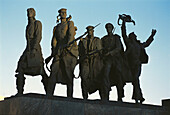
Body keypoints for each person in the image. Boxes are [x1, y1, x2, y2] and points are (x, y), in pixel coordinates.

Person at [121, 19, 157, 103]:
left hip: (137, 64)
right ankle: (137, 97)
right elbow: (123, 35)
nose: (135, 36)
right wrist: (123, 24)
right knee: (133, 80)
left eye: (135, 36)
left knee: (136, 79)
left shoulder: (139, 45)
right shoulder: (129, 43)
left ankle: (138, 97)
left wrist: (152, 36)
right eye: (133, 36)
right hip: (129, 64)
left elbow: (147, 43)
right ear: (131, 37)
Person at [15, 8, 48, 95]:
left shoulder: (38, 23)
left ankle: (49, 92)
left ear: (34, 13)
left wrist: (33, 49)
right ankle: (20, 92)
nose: (29, 13)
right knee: (20, 66)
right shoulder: (28, 26)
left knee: (41, 71)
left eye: (31, 12)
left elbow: (38, 36)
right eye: (28, 12)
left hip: (35, 48)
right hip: (28, 49)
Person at [47, 8, 78, 98]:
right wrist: (53, 51)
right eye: (62, 13)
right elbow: (54, 40)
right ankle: (49, 94)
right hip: (58, 51)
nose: (63, 14)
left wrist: (67, 44)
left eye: (65, 12)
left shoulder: (70, 23)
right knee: (53, 71)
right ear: (59, 15)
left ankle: (69, 96)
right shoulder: (56, 27)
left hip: (67, 50)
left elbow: (70, 35)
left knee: (68, 73)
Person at [101, 23, 124, 101]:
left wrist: (110, 53)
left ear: (112, 28)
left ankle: (120, 95)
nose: (108, 29)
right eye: (107, 27)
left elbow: (119, 48)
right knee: (105, 72)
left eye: (110, 27)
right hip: (107, 59)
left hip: (115, 58)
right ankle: (106, 92)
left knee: (118, 73)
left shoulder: (116, 38)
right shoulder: (104, 39)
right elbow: (101, 48)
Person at [78, 26, 103, 99]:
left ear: (93, 31)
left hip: (95, 61)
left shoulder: (97, 40)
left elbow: (100, 50)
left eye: (90, 30)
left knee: (99, 77)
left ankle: (103, 96)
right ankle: (85, 96)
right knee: (84, 77)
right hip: (85, 61)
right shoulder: (83, 40)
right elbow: (80, 51)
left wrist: (92, 53)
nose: (89, 32)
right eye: (88, 30)